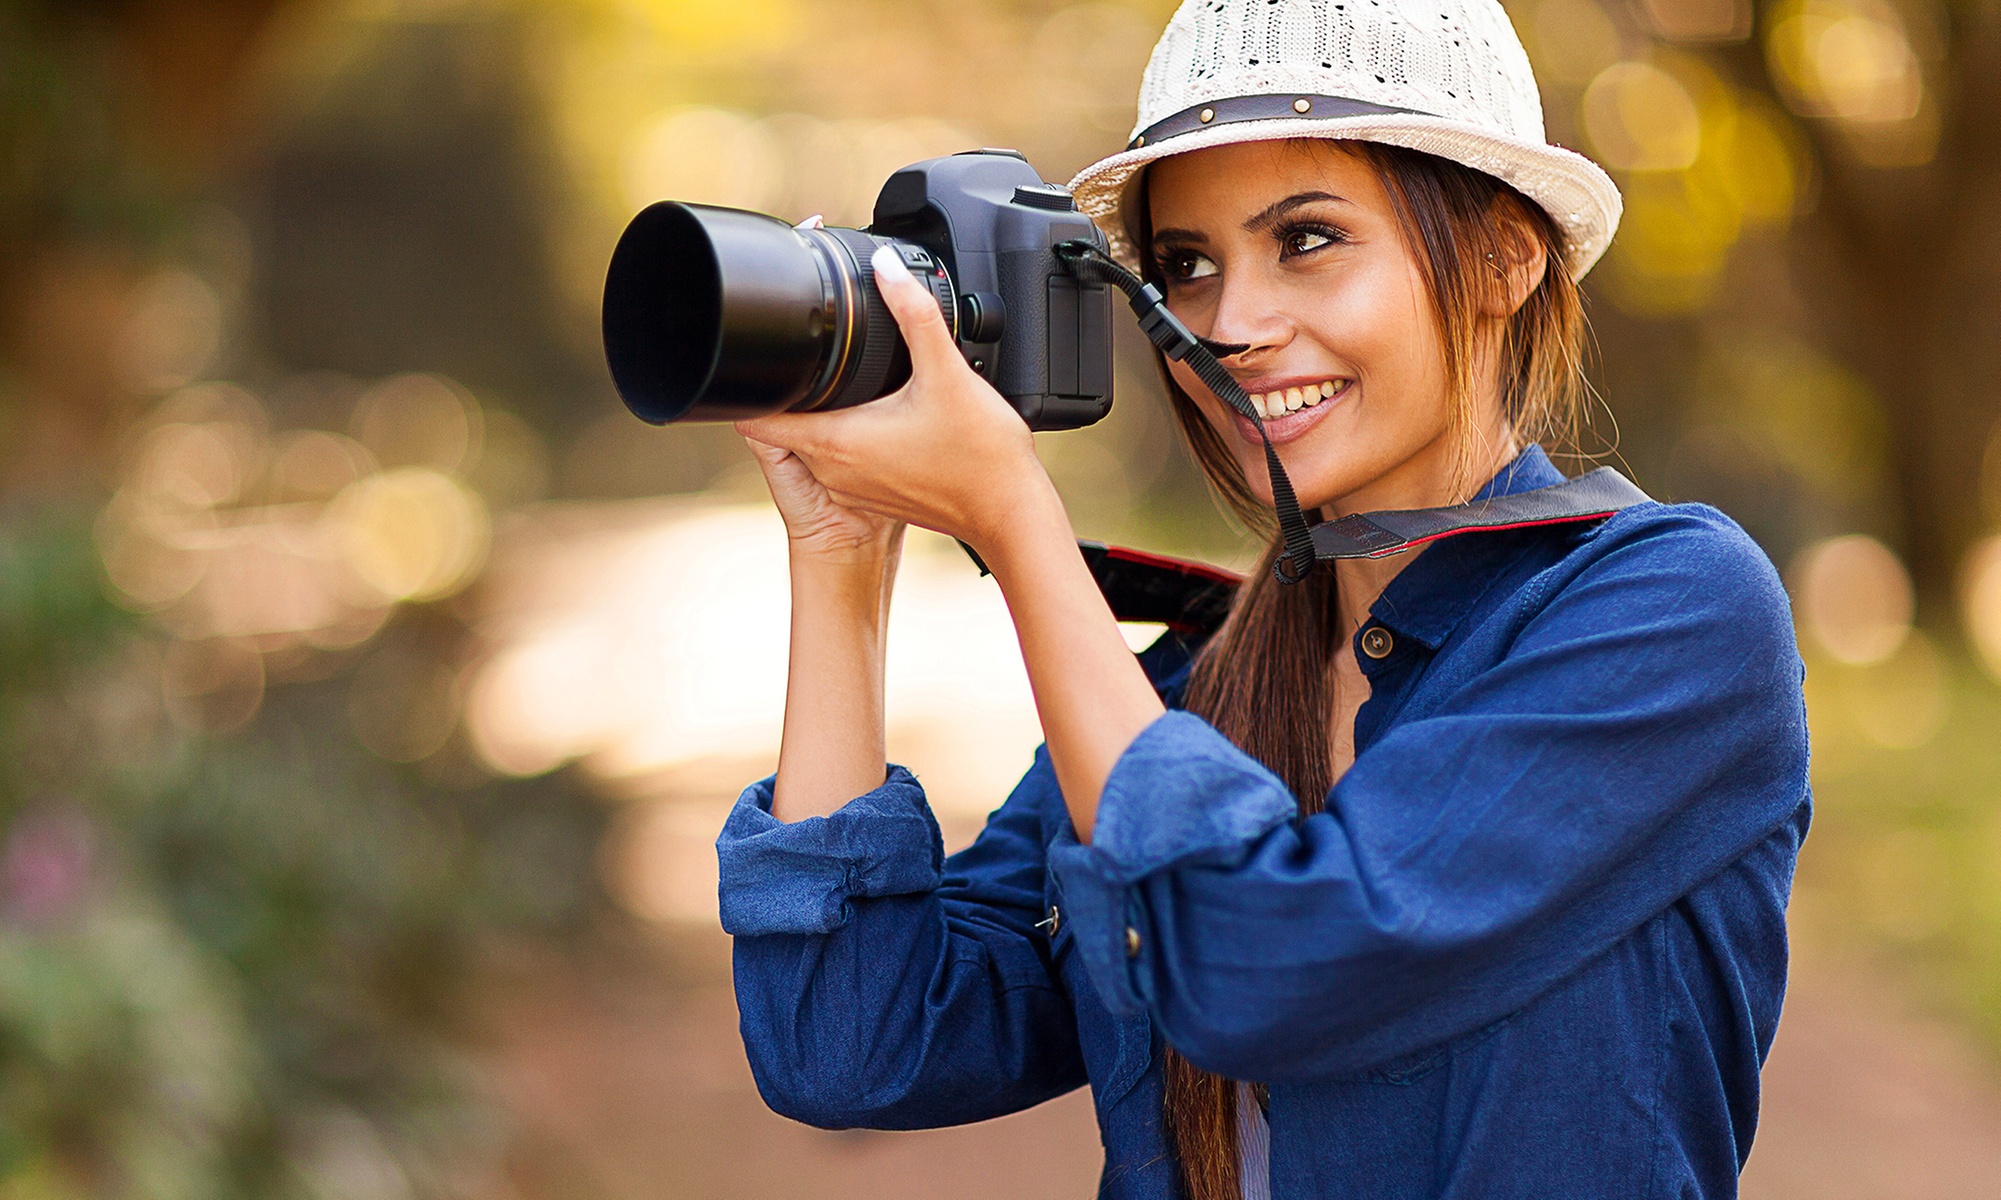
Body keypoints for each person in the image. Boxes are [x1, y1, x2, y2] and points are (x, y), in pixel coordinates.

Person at [715, 1, 1810, 1196]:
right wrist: (841, 545)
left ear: (1507, 254)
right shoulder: (1194, 688)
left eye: (1308, 239)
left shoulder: (1670, 613)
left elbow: (1269, 964)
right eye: (1186, 267)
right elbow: (853, 1047)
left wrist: (1015, 521)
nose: (1230, 327)